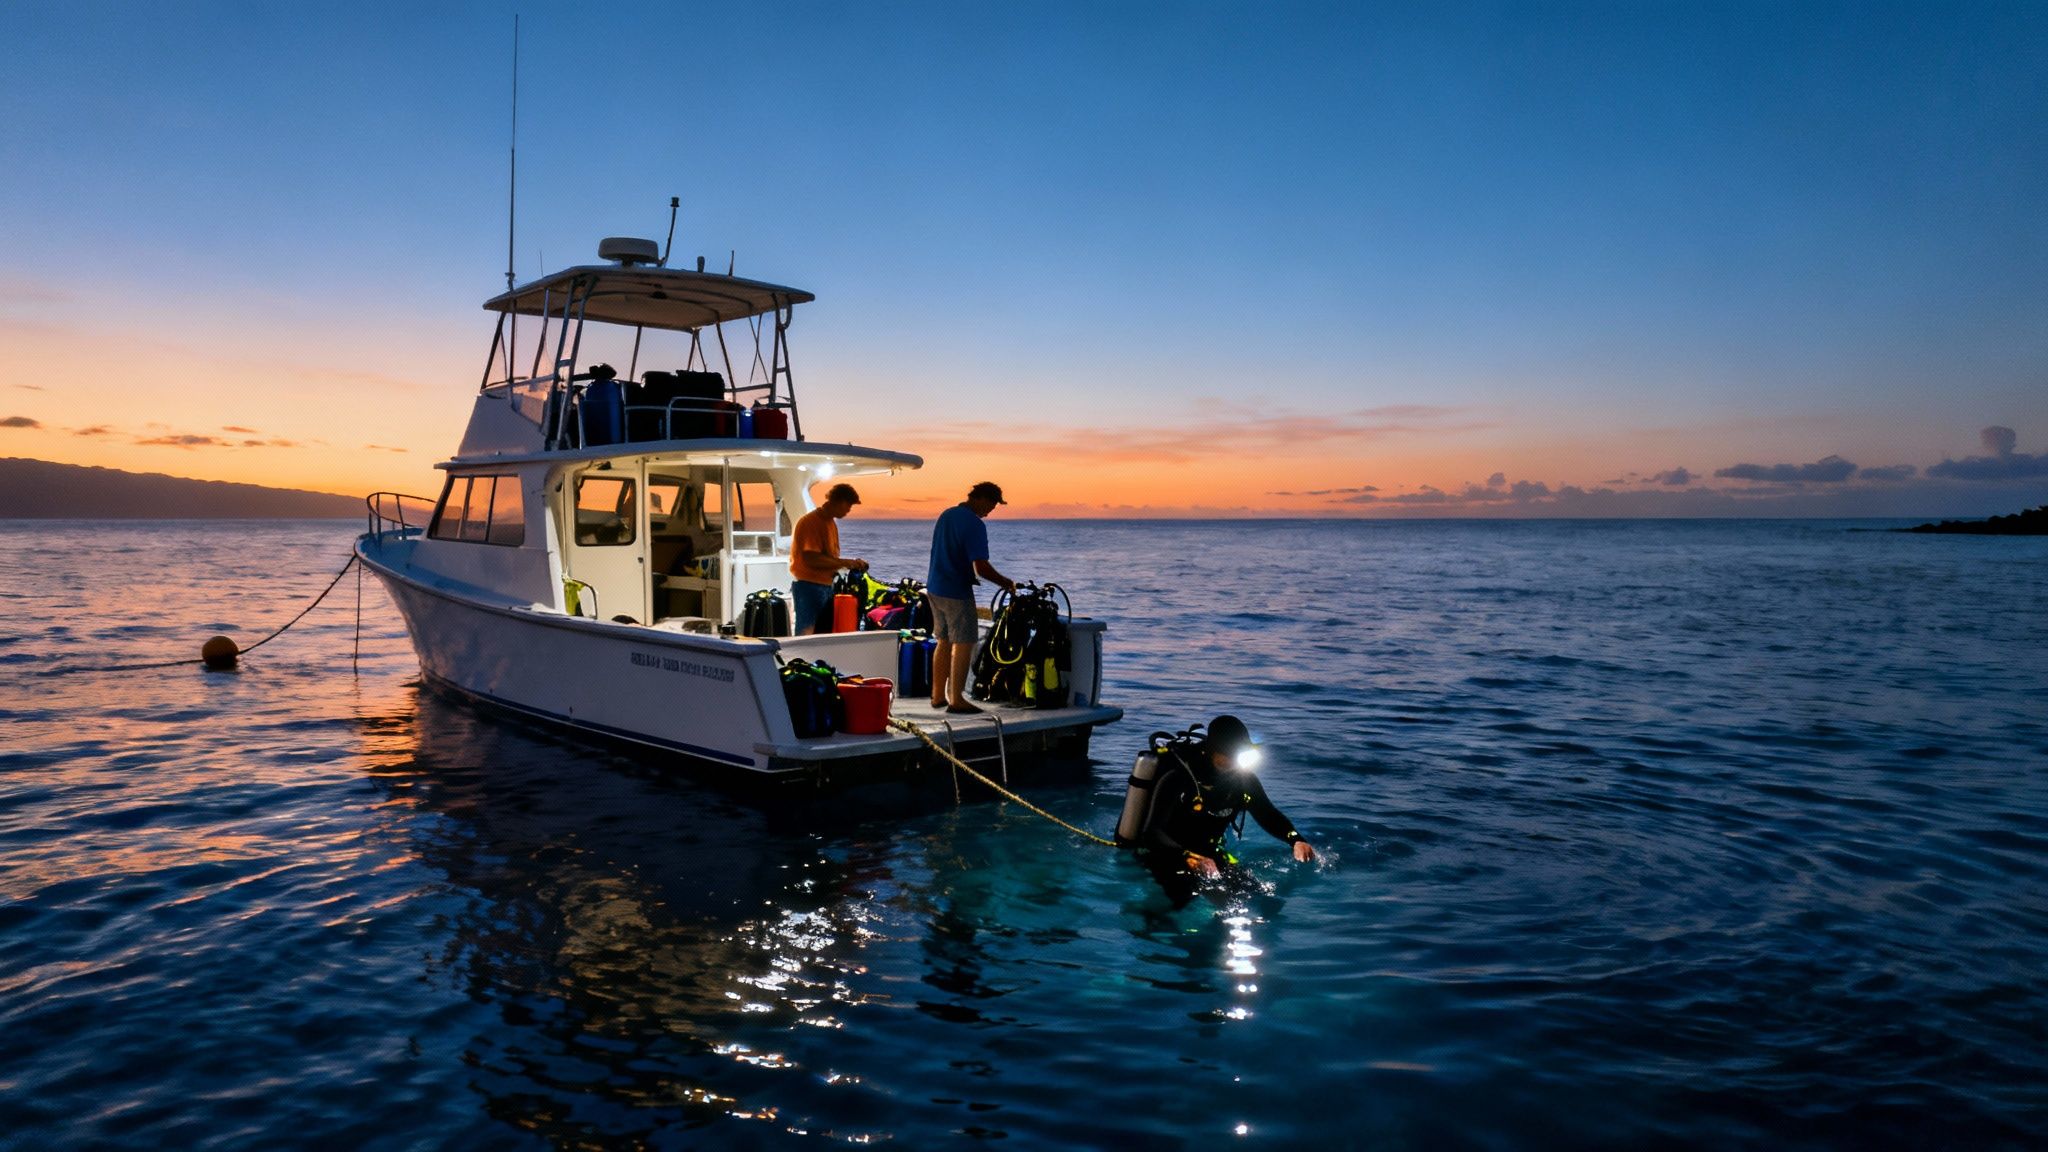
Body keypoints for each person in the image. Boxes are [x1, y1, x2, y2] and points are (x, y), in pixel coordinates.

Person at [1141, 716, 1315, 876]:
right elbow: (1152, 833)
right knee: (1180, 902)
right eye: (1227, 755)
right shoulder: (1179, 776)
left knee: (1262, 898)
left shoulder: (1243, 780)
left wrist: (1296, 840)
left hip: (1210, 854)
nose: (1233, 762)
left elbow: (1267, 813)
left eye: (1237, 756)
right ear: (1212, 751)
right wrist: (1189, 857)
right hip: (1169, 855)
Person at [926, 481, 1015, 713]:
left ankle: (937, 696)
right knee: (964, 643)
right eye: (992, 505)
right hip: (956, 591)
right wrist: (1007, 583)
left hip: (935, 587)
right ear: (982, 498)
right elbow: (981, 567)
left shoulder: (947, 515)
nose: (990, 511)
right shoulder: (974, 524)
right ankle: (957, 699)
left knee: (943, 641)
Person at [789, 483, 867, 635]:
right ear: (841, 501)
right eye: (848, 506)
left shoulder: (830, 523)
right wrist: (845, 563)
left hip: (824, 586)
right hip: (809, 586)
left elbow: (828, 557)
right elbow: (812, 559)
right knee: (807, 632)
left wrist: (850, 564)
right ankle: (802, 658)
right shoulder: (811, 522)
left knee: (822, 632)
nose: (848, 510)